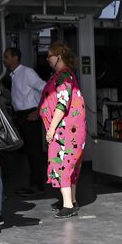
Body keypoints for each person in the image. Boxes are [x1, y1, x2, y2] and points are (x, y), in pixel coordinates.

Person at [39, 42, 86, 218]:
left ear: (59, 57)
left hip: (65, 131)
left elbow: (62, 103)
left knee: (63, 164)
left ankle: (68, 205)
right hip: (71, 130)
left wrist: (51, 129)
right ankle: (71, 200)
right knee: (71, 166)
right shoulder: (65, 75)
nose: (47, 59)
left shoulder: (63, 77)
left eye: (50, 55)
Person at [2, 47, 46, 197]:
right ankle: (32, 183)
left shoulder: (27, 72)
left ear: (15, 58)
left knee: (34, 152)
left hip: (30, 114)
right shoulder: (14, 75)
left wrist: (38, 111)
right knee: (27, 151)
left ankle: (38, 185)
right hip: (20, 115)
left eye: (6, 57)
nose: (4, 59)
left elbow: (45, 88)